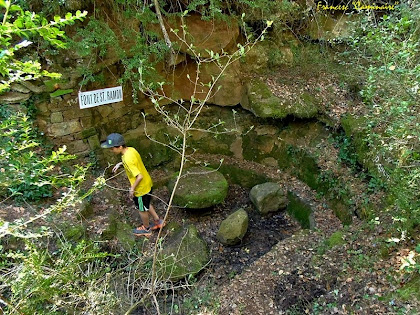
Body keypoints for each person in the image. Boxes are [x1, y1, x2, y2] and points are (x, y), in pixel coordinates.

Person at [101, 133, 164, 236]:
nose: (111, 151)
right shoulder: (130, 150)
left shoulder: (127, 158)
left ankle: (146, 229)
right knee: (146, 204)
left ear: (120, 147)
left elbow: (139, 176)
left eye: (112, 149)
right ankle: (157, 220)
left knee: (141, 209)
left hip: (140, 189)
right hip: (147, 184)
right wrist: (120, 164)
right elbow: (133, 161)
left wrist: (132, 189)